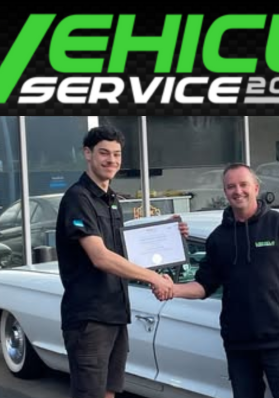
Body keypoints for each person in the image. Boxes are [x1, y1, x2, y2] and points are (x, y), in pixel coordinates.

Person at [152, 163, 279, 398]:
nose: (238, 191)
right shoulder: (218, 238)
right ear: (225, 192)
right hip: (239, 344)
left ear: (256, 188)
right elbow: (203, 286)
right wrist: (172, 288)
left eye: (243, 185)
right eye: (231, 186)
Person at [55, 125, 188, 398]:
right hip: (90, 319)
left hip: (116, 314)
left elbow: (126, 252)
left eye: (116, 154)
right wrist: (154, 278)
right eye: (104, 153)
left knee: (109, 391)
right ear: (88, 153)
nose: (112, 160)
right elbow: (100, 257)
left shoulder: (112, 200)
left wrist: (169, 235)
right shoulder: (78, 199)